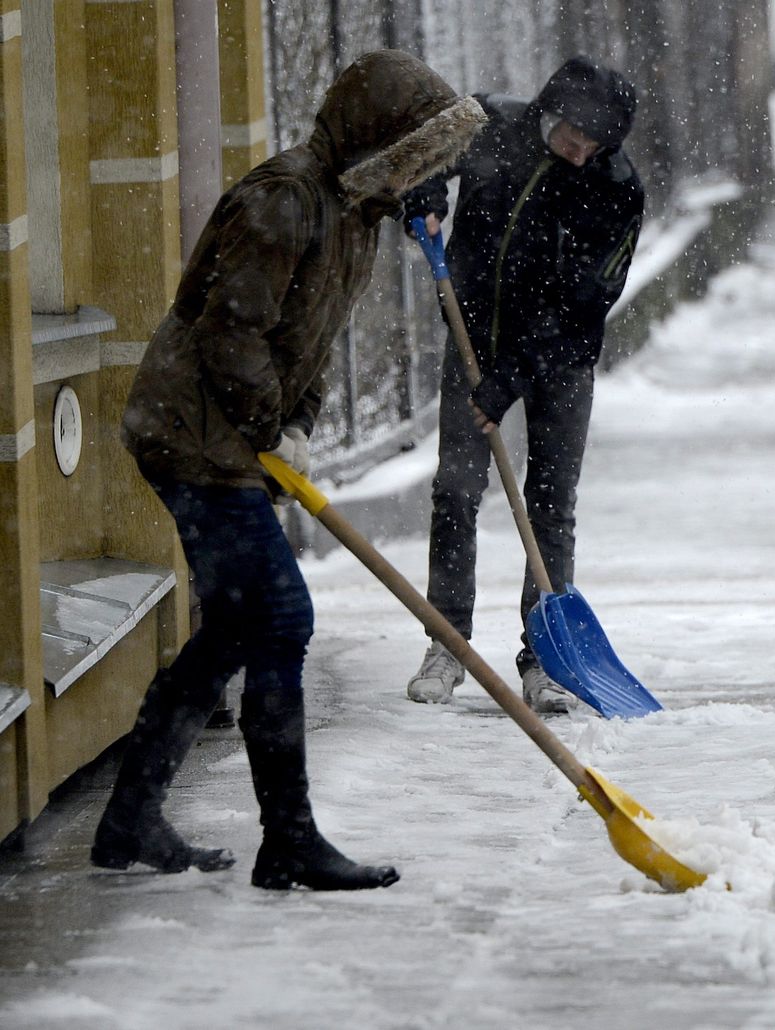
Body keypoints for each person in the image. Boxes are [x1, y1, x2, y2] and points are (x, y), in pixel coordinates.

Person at [91, 50, 485, 889]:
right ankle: (289, 841)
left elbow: (306, 347)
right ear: (377, 141)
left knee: (237, 628)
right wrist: (270, 429)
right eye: (413, 152)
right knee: (280, 619)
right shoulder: (286, 200)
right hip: (191, 435)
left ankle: (130, 818)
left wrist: (294, 428)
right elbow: (232, 333)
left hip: (228, 433)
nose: (421, 174)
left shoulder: (353, 217)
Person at [401, 55, 644, 714]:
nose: (579, 150)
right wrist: (423, 194)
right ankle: (446, 643)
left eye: (595, 143)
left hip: (561, 358)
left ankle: (544, 659)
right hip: (475, 338)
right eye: (574, 133)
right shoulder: (489, 124)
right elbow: (420, 156)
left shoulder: (617, 187)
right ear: (548, 109)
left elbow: (583, 303)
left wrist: (508, 378)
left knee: (549, 503)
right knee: (455, 490)